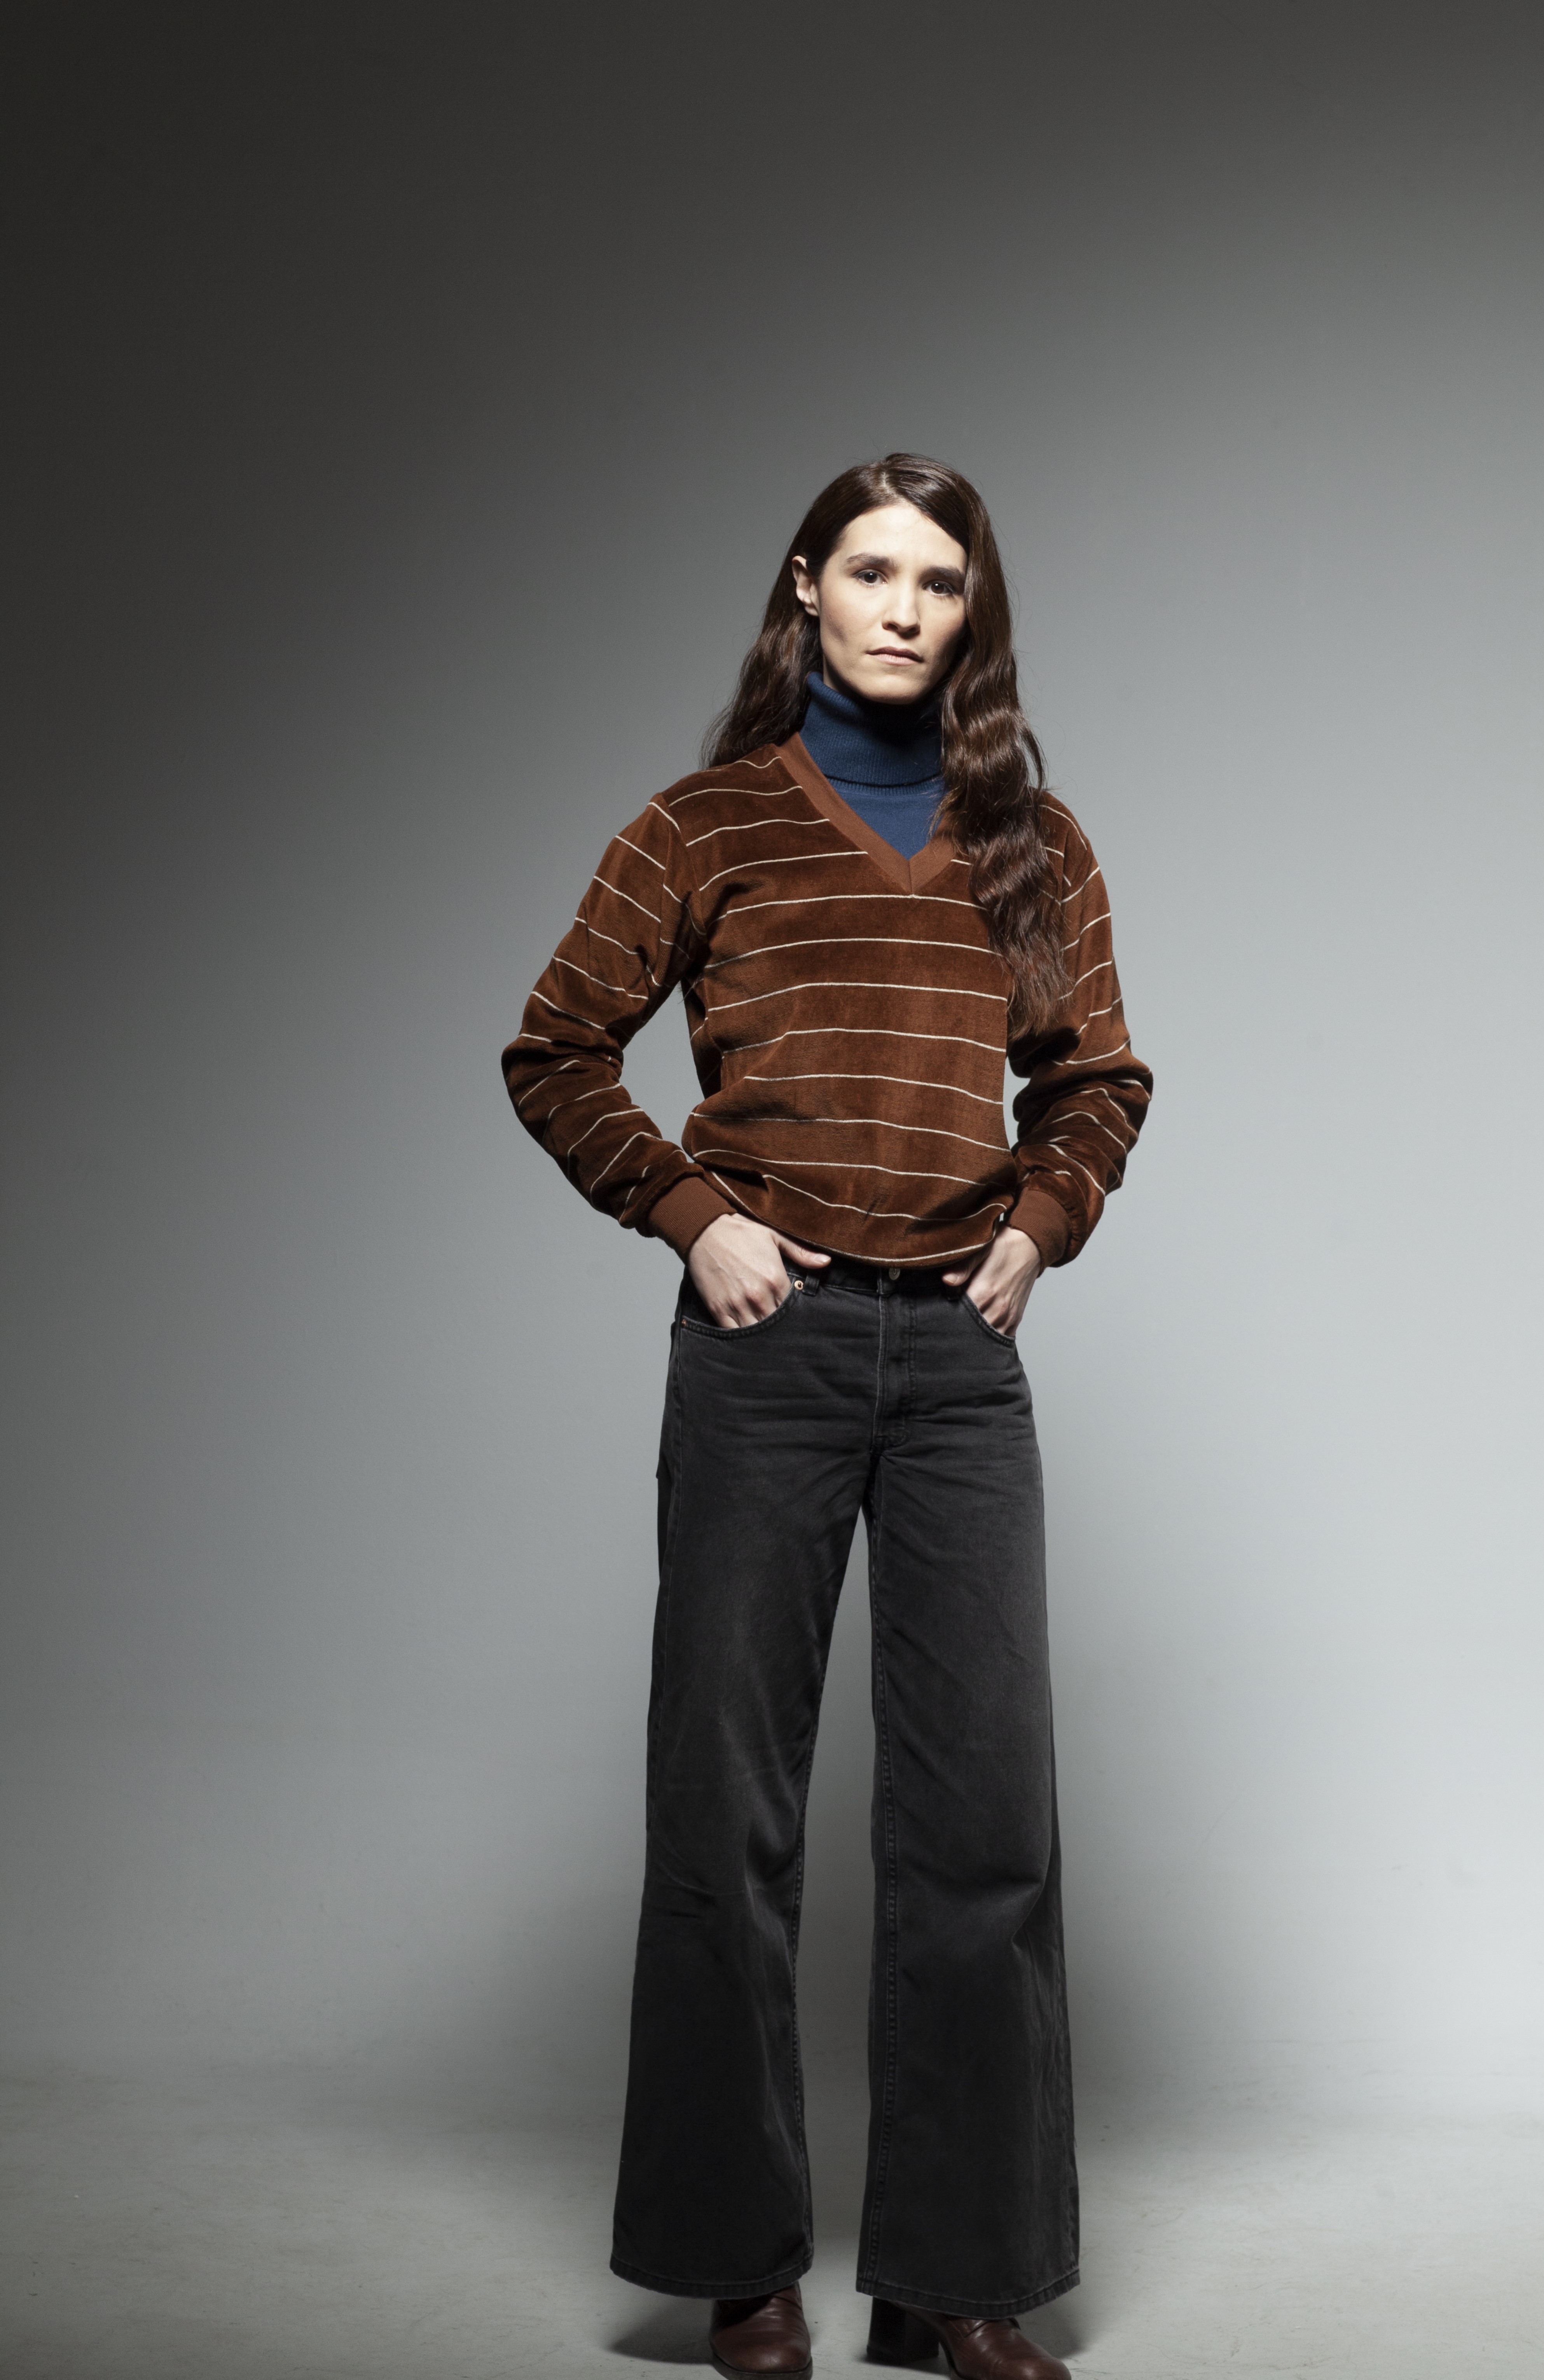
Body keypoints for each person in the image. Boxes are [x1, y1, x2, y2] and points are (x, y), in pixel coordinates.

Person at [502, 455, 1151, 2380]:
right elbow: (555, 1047)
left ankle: (960, 2279)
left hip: (955, 1365)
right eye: (869, 570)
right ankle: (740, 2265)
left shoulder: (1030, 841)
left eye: (937, 583)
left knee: (984, 1830)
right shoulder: (702, 825)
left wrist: (1038, 1228)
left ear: (970, 618)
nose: (899, 608)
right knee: (726, 1814)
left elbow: (1098, 1080)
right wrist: (689, 1215)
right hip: (765, 1349)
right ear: (805, 587)